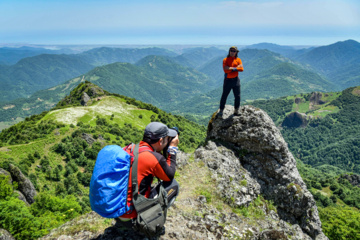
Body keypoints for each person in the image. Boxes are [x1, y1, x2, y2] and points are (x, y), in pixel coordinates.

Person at [115, 122, 180, 230]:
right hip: (133, 217)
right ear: (160, 141)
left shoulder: (128, 149)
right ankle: (150, 220)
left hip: (117, 212)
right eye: (167, 138)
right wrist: (172, 149)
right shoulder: (152, 158)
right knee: (173, 185)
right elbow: (169, 175)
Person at [218, 46, 244, 116]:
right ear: (229, 51)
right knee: (224, 95)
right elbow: (225, 69)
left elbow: (241, 69)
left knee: (237, 96)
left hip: (236, 80)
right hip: (228, 80)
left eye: (234, 51)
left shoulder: (238, 60)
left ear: (236, 52)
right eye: (231, 50)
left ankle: (236, 110)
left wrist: (230, 69)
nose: (232, 52)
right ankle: (221, 110)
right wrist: (236, 68)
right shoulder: (225, 60)